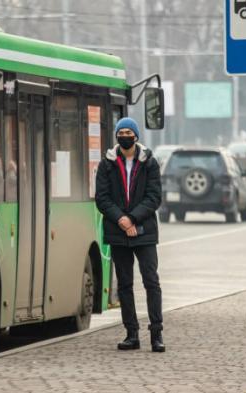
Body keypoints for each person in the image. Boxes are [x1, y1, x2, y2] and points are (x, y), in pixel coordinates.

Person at [95, 117, 165, 352]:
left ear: (136, 136)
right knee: (124, 284)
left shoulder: (149, 162)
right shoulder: (107, 163)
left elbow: (154, 197)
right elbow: (102, 198)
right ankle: (131, 334)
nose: (124, 135)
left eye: (128, 132)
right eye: (121, 132)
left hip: (144, 230)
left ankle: (156, 333)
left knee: (151, 281)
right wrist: (122, 220)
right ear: (117, 135)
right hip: (118, 231)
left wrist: (133, 218)